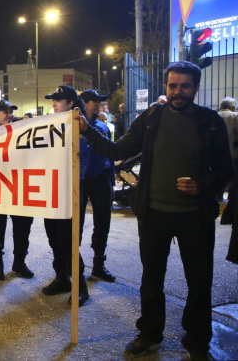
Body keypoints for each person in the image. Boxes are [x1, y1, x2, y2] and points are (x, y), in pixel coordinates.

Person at [75, 61, 234, 358]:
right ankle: (149, 334)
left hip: (195, 217)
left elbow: (226, 169)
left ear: (196, 88)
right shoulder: (150, 118)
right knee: (151, 280)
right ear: (166, 87)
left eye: (185, 86)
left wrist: (202, 185)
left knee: (199, 282)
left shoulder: (211, 121)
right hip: (154, 215)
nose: (178, 92)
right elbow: (117, 150)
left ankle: (198, 342)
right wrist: (87, 131)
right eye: (172, 86)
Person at [41, 85, 91, 306]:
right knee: (53, 237)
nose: (54, 103)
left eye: (58, 100)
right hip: (51, 188)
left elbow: (80, 162)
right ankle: (62, 278)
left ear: (70, 103)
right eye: (53, 100)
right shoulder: (50, 125)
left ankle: (80, 286)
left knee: (68, 240)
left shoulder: (80, 126)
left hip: (70, 189)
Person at [0, 100, 34, 280]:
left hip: (19, 188)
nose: (9, 114)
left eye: (10, 111)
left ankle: (19, 263)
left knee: (23, 228)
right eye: (4, 111)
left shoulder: (22, 130)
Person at [79, 90, 116, 283]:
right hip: (82, 180)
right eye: (95, 101)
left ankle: (98, 265)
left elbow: (110, 154)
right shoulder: (73, 126)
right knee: (76, 225)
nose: (99, 105)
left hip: (101, 178)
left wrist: (111, 181)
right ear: (84, 104)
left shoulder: (103, 127)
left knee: (103, 222)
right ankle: (73, 267)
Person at [219, 98, 238, 223]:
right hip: (233, 154)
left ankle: (218, 198)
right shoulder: (234, 116)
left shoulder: (214, 115)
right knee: (233, 179)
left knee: (219, 177)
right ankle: (231, 198)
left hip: (217, 155)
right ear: (232, 107)